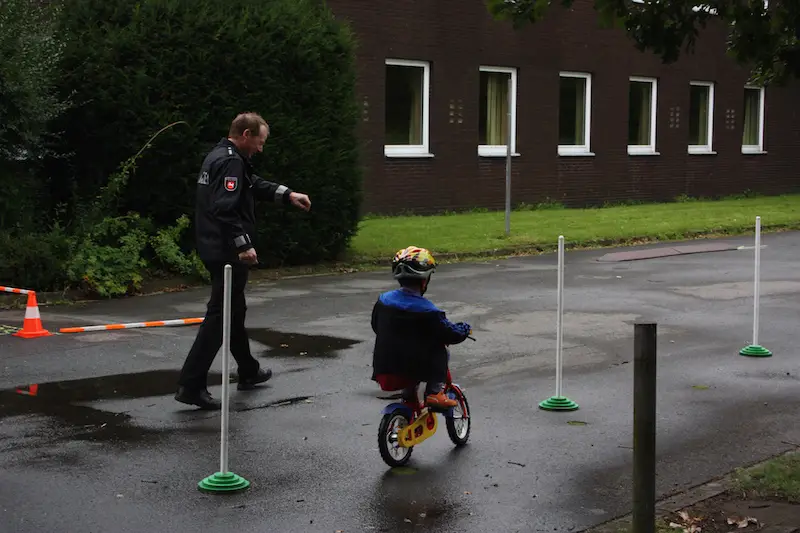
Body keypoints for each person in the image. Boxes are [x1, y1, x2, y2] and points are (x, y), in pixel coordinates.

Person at [175, 112, 312, 410]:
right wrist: (243, 245)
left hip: (212, 246)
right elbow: (225, 209)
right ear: (246, 134)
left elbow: (251, 184)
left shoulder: (220, 156)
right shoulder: (231, 162)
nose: (261, 149)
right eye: (260, 142)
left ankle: (248, 370)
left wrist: (287, 194)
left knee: (234, 311)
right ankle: (191, 384)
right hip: (226, 252)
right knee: (220, 316)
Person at [370, 246, 472, 409]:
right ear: (425, 280)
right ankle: (434, 392)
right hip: (414, 371)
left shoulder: (383, 301)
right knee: (440, 349)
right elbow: (450, 334)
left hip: (384, 371)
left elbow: (376, 326)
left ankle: (409, 396)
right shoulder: (428, 311)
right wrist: (464, 329)